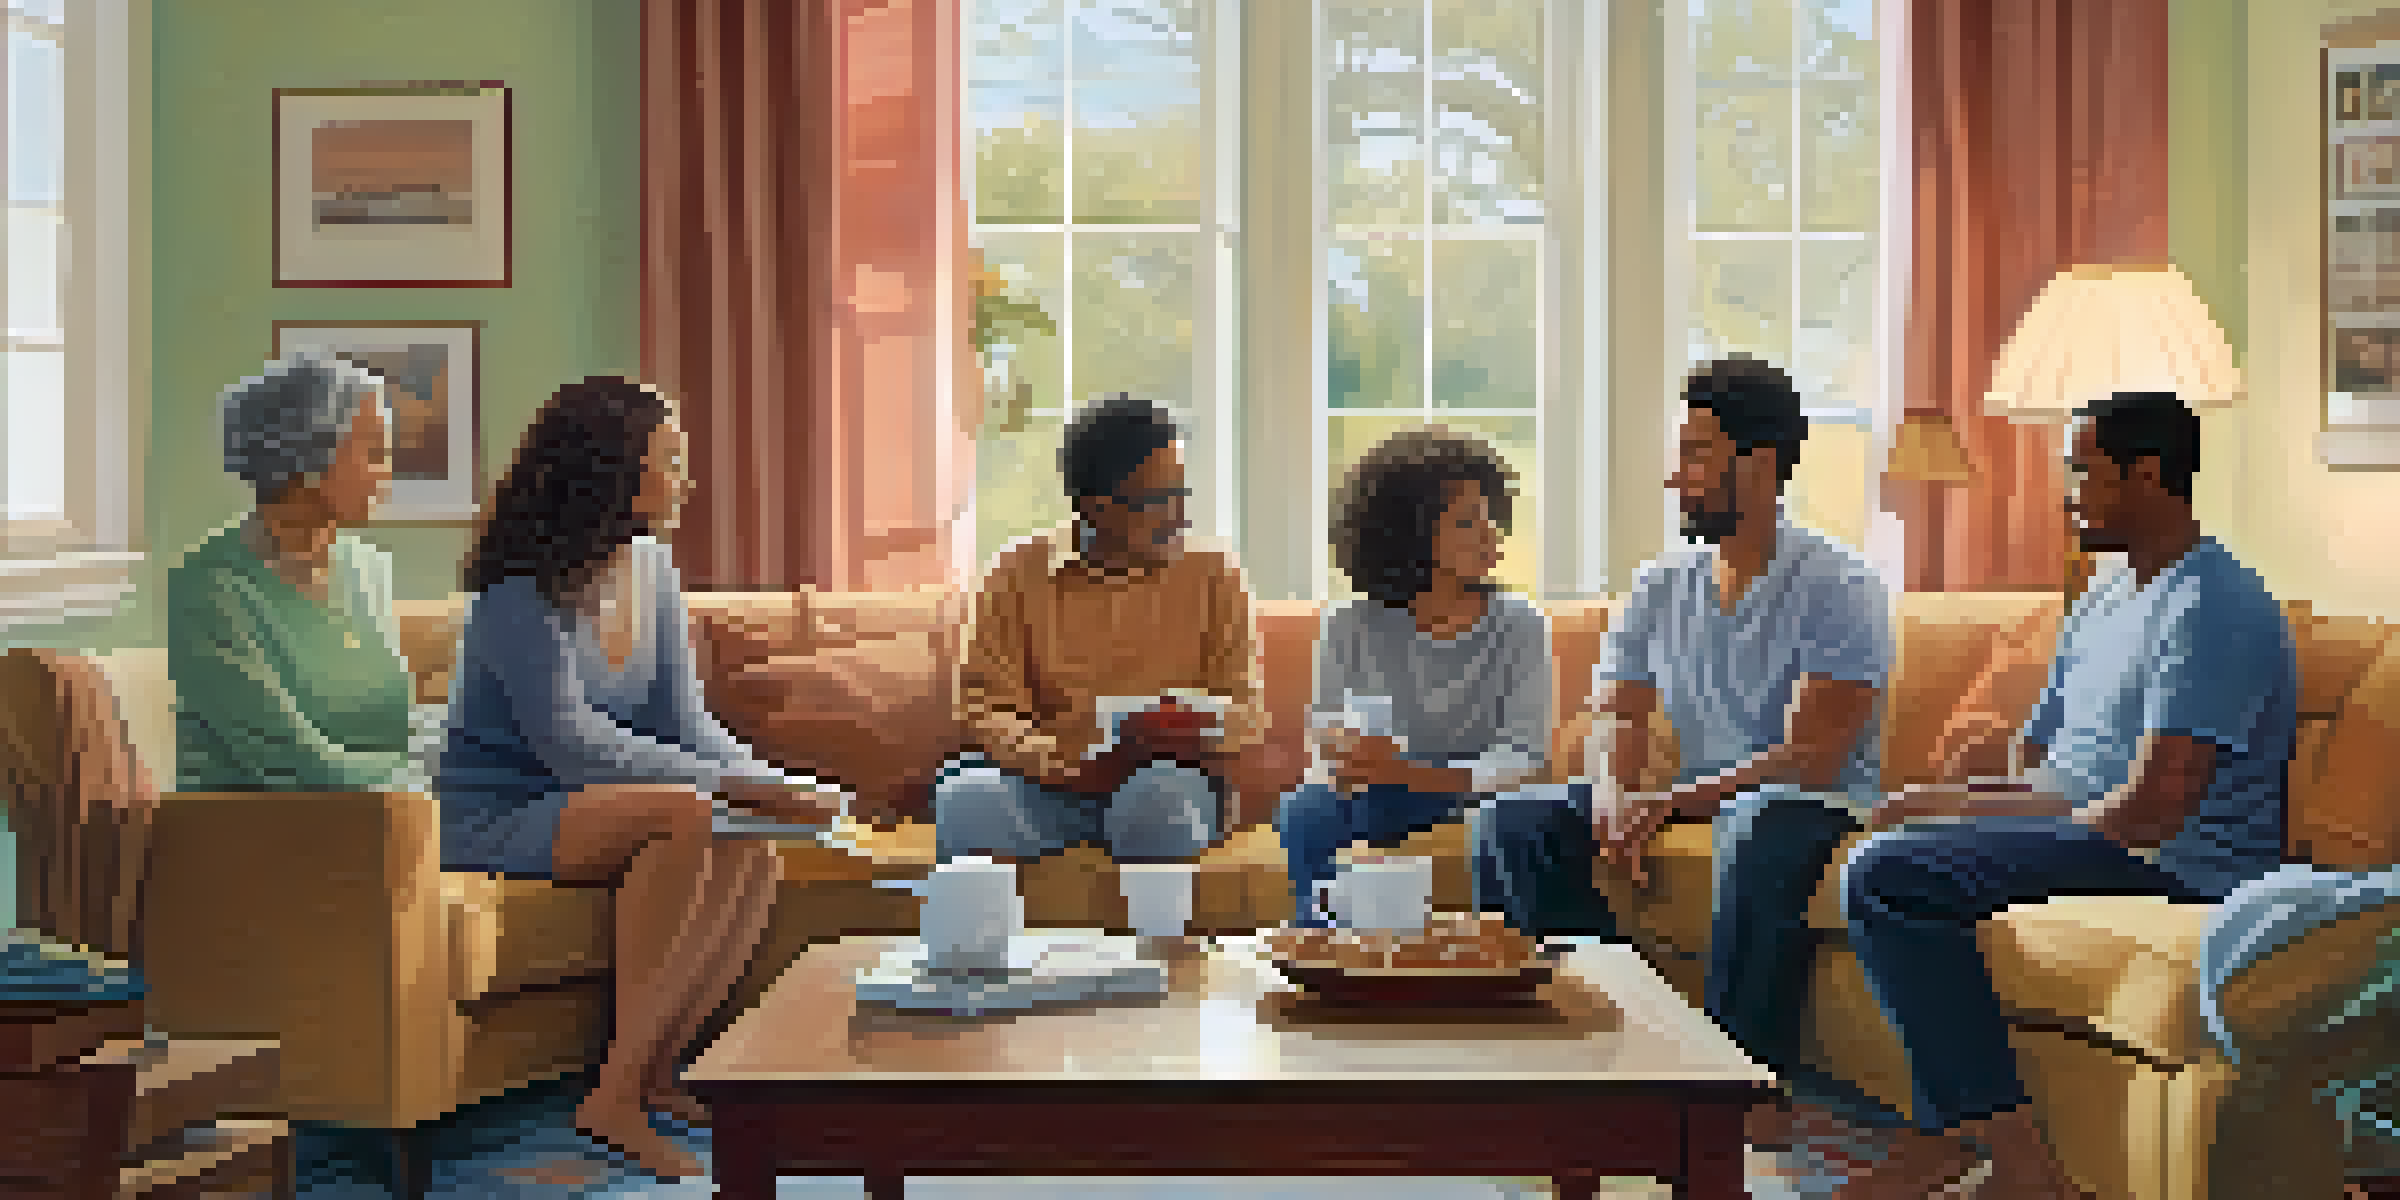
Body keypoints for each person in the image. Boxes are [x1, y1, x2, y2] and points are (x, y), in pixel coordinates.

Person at [1833, 391, 2298, 1200]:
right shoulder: (2100, 596)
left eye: (2085, 472)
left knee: (1890, 875)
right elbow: (2039, 762)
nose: (2069, 493)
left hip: (2177, 862)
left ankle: (2007, 1161)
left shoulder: (2214, 604)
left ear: (2146, 474)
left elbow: (2154, 807)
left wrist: (1963, 816)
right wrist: (1950, 796)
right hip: (2091, 825)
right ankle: (1950, 1140)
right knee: (1894, 839)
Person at [1471, 355, 1894, 1143]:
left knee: (1762, 821)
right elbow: (1616, 718)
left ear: (1760, 464)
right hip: (1702, 798)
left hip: (1813, 809)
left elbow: (1811, 758)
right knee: (1513, 821)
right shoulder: (1662, 583)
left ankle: (1734, 1093)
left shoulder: (1839, 586)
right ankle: (1599, 1058)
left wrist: (1669, 801)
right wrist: (1612, 797)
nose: (1677, 477)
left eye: (1698, 455)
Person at [438, 376, 844, 1178]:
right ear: (612, 474)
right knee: (691, 817)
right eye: (671, 462)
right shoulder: (518, 589)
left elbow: (684, 720)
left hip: (589, 799)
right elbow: (570, 746)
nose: (687, 481)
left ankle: (663, 1069)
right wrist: (724, 789)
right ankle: (613, 1093)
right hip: (500, 809)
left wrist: (776, 786)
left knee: (755, 842)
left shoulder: (653, 567)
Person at [937, 392, 1265, 866]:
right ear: (1094, 507)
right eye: (1158, 500)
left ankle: (1162, 943)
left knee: (1160, 807)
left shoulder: (1215, 575)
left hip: (1165, 782)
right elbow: (984, 710)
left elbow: (1245, 710)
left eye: (1182, 494)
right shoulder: (1015, 573)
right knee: (966, 803)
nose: (1179, 516)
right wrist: (1064, 765)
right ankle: (998, 942)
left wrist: (1192, 731)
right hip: (1047, 785)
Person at [1275, 427, 1549, 926]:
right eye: (1468, 522)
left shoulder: (1520, 624)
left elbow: (1526, 762)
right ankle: (1320, 946)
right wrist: (1345, 752)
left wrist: (1408, 772)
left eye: (1491, 518)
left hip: (1472, 798)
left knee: (1496, 814)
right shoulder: (1348, 625)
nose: (1491, 534)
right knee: (1307, 808)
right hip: (1377, 794)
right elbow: (1326, 741)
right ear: (1410, 535)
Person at [171, 352, 416, 792]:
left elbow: (399, 728)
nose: (388, 473)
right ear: (306, 456)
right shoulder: (209, 587)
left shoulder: (367, 568)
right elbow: (297, 765)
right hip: (261, 834)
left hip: (380, 817)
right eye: (374, 452)